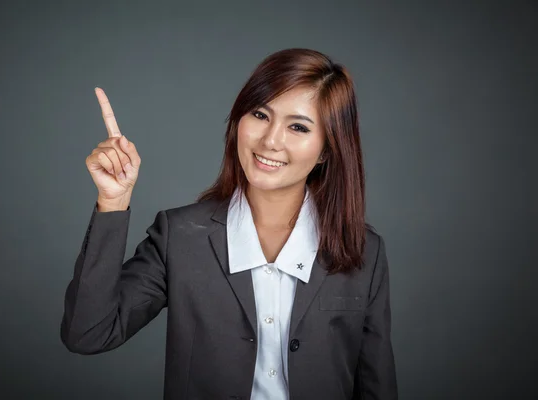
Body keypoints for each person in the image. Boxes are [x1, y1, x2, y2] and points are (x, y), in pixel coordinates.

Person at [61, 48, 398, 400]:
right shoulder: (179, 237)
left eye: (298, 127)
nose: (271, 140)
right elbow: (89, 334)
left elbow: (376, 385)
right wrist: (113, 201)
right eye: (260, 114)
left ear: (327, 150)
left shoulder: (363, 252)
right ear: (239, 120)